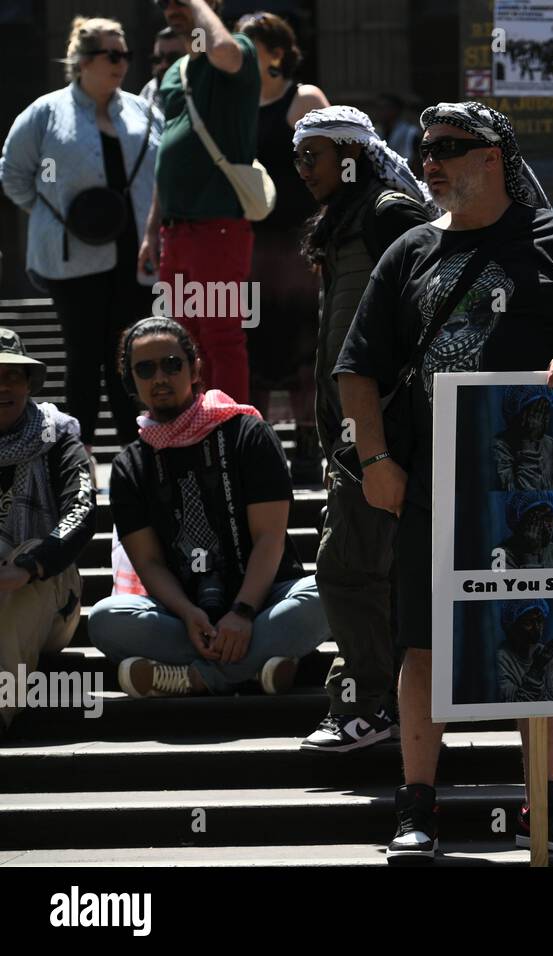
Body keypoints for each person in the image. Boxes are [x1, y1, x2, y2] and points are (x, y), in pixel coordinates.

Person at [333, 102, 553, 862]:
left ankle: (544, 803)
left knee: (542, 638)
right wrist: (376, 462)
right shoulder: (409, 253)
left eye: (451, 148)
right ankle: (416, 805)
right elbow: (356, 370)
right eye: (425, 149)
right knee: (424, 644)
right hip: (435, 484)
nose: (431, 161)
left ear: (494, 157)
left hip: (539, 485)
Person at [87, 318, 327, 698]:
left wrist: (244, 613)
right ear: (131, 381)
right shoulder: (130, 466)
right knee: (105, 620)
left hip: (264, 601)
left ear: (195, 367)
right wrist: (187, 613)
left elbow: (269, 537)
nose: (160, 377)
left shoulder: (247, 433)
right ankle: (257, 667)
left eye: (171, 363)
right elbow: (148, 563)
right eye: (145, 369)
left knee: (326, 594)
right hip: (185, 617)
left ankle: (197, 679)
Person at [292, 105, 430, 752]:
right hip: (352, 436)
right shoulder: (346, 221)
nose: (302, 170)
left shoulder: (387, 212)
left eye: (312, 155)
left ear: (350, 154)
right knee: (368, 571)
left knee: (345, 569)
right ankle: (379, 706)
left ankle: (369, 705)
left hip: (382, 434)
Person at [1, 16, 158, 452]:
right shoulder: (46, 112)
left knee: (130, 360)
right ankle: (77, 459)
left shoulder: (144, 111)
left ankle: (138, 458)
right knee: (84, 357)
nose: (122, 63)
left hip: (136, 255)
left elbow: (160, 179)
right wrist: (58, 220)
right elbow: (13, 174)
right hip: (73, 257)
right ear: (82, 60)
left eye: (125, 53)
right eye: (112, 54)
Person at [140, 0, 262, 403]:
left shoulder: (238, 49)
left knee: (221, 336)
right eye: (165, 2)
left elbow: (222, 50)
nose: (170, 7)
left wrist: (197, 4)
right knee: (180, 339)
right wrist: (152, 228)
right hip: (176, 231)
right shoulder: (176, 73)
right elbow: (168, 156)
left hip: (219, 227)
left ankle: (229, 431)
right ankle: (190, 429)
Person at [236, 12, 330, 483]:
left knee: (304, 345)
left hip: (299, 241)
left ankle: (310, 448)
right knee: (255, 344)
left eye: (250, 45)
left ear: (276, 51)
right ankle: (261, 450)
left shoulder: (304, 98)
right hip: (248, 245)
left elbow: (336, 166)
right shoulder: (232, 104)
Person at [0, 329, 95, 735]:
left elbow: (83, 510)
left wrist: (29, 565)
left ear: (28, 384)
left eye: (13, 376)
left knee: (25, 558)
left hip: (48, 590)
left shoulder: (58, 437)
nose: (3, 387)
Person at [493, 384, 553, 490]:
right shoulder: (500, 446)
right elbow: (512, 489)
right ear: (521, 414)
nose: (544, 420)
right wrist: (527, 443)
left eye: (547, 413)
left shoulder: (550, 445)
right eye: (538, 412)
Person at [496, 600, 553, 703]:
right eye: (528, 622)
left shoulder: (543, 652)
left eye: (540, 620)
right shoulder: (500, 659)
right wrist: (536, 669)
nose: (537, 628)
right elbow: (516, 705)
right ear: (512, 626)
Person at [499, 491, 553, 569]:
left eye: (549, 517)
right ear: (519, 521)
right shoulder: (502, 556)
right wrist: (530, 551)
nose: (545, 525)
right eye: (537, 519)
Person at [374, 93, 420, 174]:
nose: (380, 112)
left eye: (385, 107)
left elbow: (416, 162)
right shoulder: (374, 131)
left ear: (396, 110)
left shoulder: (411, 132)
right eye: (378, 108)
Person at [140, 27, 187, 103]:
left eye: (173, 59)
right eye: (158, 58)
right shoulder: (148, 92)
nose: (163, 65)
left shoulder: (201, 89)